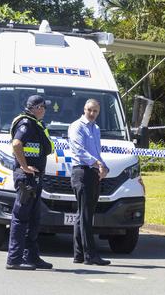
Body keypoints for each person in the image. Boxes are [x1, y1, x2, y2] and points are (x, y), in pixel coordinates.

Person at [6, 95, 55, 270]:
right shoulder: (26, 124)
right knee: (20, 218)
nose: (44, 110)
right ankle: (14, 259)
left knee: (34, 218)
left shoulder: (35, 124)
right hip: (26, 178)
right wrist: (24, 166)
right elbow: (17, 144)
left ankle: (31, 257)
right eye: (42, 107)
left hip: (34, 178)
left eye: (44, 107)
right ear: (35, 107)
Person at [67, 99, 111, 266]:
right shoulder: (77, 126)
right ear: (84, 109)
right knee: (85, 216)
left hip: (92, 172)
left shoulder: (96, 128)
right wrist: (97, 164)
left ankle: (79, 254)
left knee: (83, 215)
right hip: (82, 172)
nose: (92, 114)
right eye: (89, 110)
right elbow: (79, 150)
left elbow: (96, 152)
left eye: (95, 111)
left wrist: (104, 167)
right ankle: (90, 255)